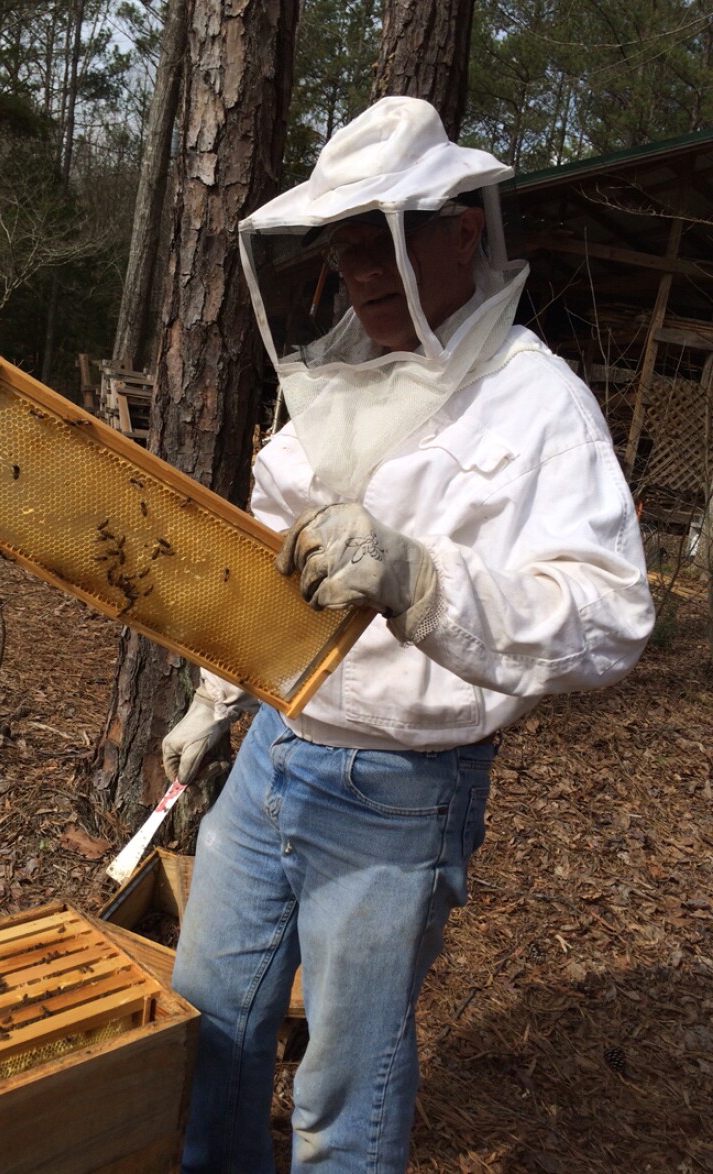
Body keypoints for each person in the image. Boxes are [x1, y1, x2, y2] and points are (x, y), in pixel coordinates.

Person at [163, 97, 654, 1174]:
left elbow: (611, 616)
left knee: (344, 1083)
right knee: (211, 1029)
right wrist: (215, 692)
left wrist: (424, 582)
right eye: (344, 250)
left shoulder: (536, 404)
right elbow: (264, 555)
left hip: (399, 791)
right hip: (271, 754)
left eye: (385, 244)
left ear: (462, 230)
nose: (362, 277)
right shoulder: (337, 377)